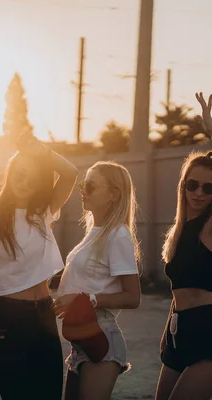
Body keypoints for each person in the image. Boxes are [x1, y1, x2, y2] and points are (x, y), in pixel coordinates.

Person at [0, 134, 78, 400]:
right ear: (9, 174)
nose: (24, 180)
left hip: (45, 315)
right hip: (10, 318)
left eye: (31, 176)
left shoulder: (42, 212)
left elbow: (70, 173)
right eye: (19, 173)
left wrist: (40, 150)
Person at [155, 93, 212, 400]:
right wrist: (169, 335)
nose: (199, 193)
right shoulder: (179, 232)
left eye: (208, 188)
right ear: (183, 186)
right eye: (192, 184)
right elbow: (180, 289)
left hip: (207, 332)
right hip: (178, 330)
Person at [53, 161, 142, 400]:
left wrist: (85, 299)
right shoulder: (95, 232)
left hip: (101, 336)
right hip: (81, 336)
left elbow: (133, 297)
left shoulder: (118, 235)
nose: (83, 190)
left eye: (91, 186)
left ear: (114, 194)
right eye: (83, 184)